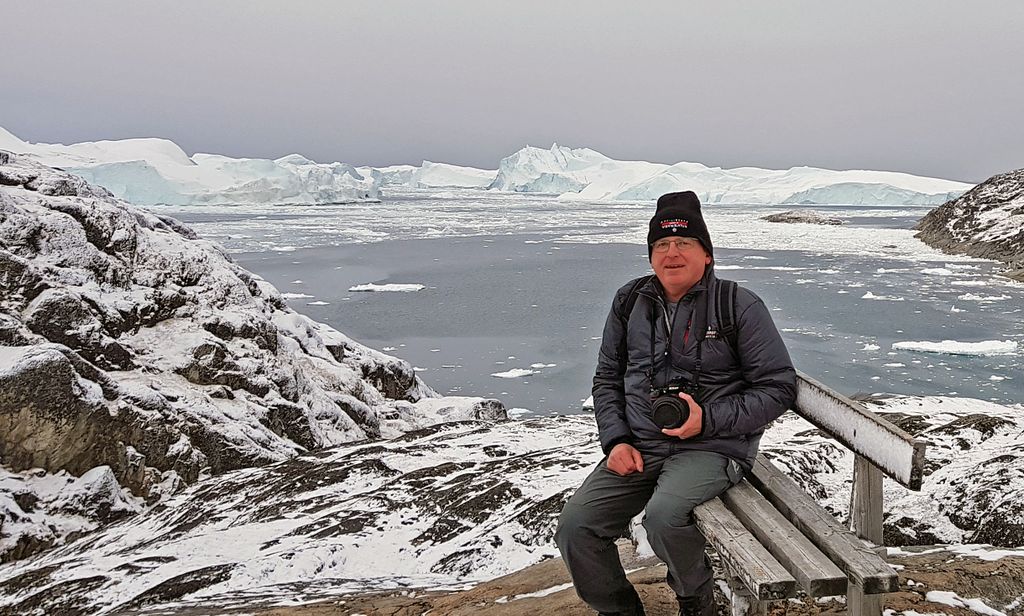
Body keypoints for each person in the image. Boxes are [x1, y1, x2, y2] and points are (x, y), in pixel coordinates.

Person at [555, 191, 797, 616]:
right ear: (651, 256)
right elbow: (608, 377)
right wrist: (615, 441)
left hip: (713, 446)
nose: (672, 253)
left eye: (684, 243)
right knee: (576, 527)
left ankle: (696, 599)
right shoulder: (630, 302)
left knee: (663, 517)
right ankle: (618, 609)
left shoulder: (737, 305)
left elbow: (778, 387)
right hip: (640, 445)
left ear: (705, 254)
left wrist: (707, 420)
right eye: (661, 245)